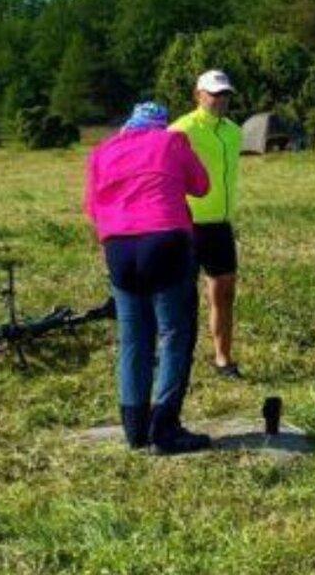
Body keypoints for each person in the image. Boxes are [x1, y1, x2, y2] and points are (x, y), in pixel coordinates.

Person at [87, 102, 213, 454]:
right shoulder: (172, 142)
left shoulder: (102, 151)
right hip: (165, 240)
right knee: (175, 333)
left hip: (119, 248)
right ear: (161, 125)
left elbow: (92, 207)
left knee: (133, 337)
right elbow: (201, 186)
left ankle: (135, 428)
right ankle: (165, 427)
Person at [171, 70, 246, 379]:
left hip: (219, 225)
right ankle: (174, 360)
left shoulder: (234, 132)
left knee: (224, 293)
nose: (220, 100)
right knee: (179, 297)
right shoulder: (180, 130)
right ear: (198, 94)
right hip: (186, 224)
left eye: (225, 93)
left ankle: (222, 359)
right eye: (214, 93)